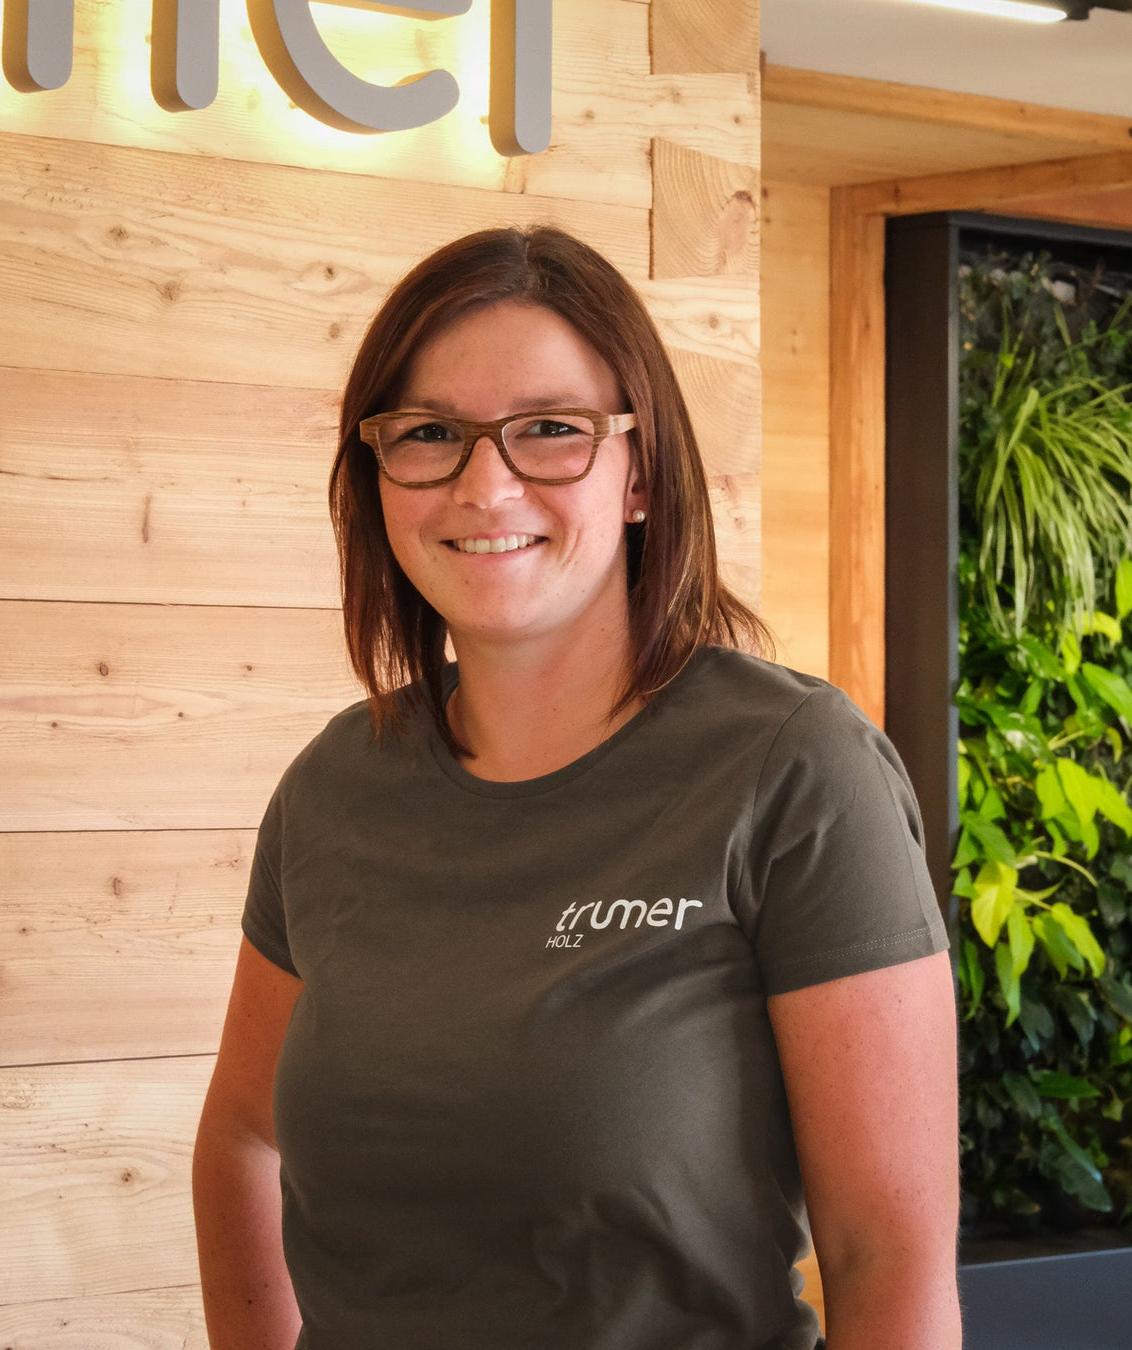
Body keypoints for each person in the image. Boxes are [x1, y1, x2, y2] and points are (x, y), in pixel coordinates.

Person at [192, 226, 961, 1350]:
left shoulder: (797, 770)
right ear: (378, 474)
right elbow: (240, 1139)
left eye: (551, 429)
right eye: (429, 433)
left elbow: (885, 1258)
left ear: (640, 473)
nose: (484, 483)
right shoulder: (332, 789)